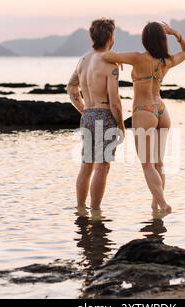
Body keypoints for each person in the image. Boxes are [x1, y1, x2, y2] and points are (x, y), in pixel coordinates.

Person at [103, 22, 185, 213]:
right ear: (162, 39)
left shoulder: (137, 58)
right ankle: (155, 207)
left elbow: (106, 55)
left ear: (145, 39)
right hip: (161, 110)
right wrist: (175, 33)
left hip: (144, 111)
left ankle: (163, 204)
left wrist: (119, 60)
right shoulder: (167, 61)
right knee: (159, 163)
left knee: (147, 164)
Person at [67, 18, 125, 211]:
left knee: (86, 165)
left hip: (88, 116)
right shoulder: (110, 64)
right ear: (110, 37)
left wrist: (82, 108)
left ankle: (80, 208)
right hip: (105, 117)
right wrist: (122, 125)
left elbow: (71, 87)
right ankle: (96, 212)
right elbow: (115, 100)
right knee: (102, 166)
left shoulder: (83, 60)